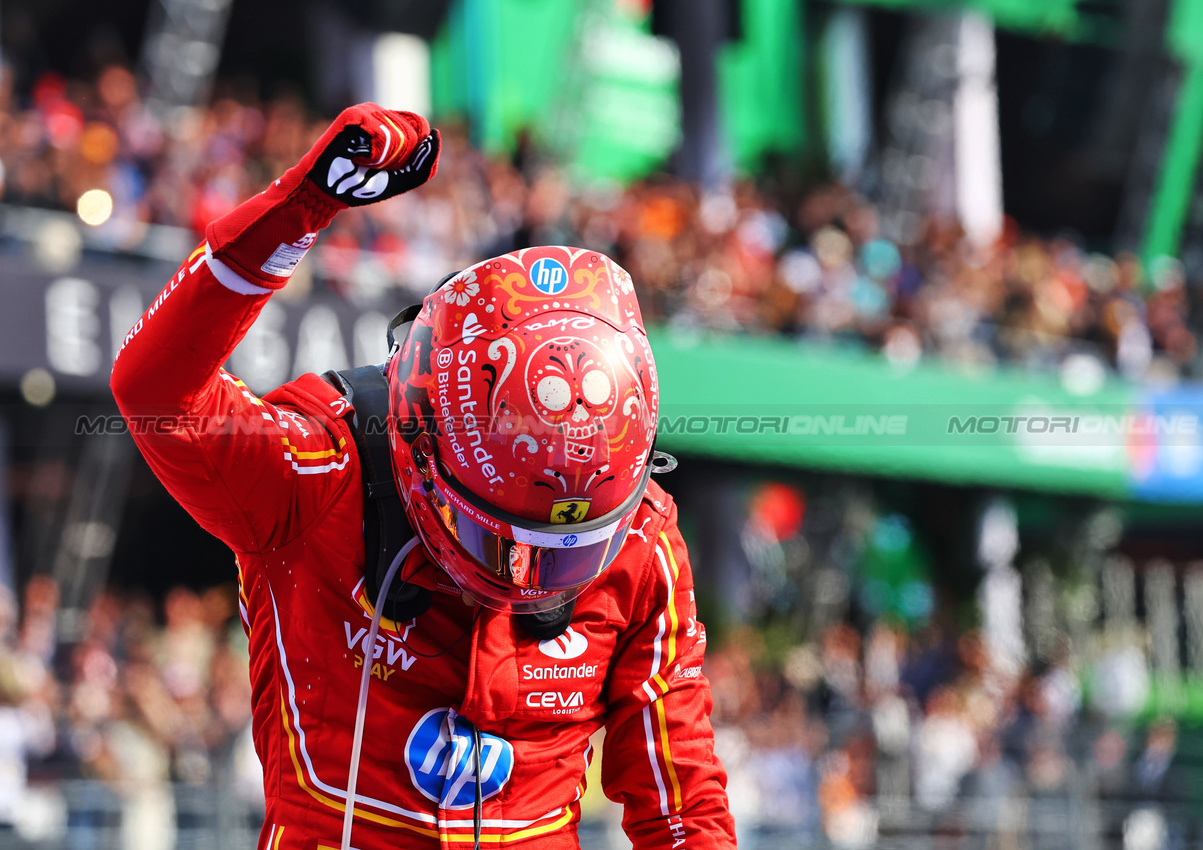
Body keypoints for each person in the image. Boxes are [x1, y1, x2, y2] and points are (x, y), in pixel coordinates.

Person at [110, 103, 735, 849]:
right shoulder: (319, 475)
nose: (528, 578)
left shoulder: (644, 543)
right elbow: (155, 394)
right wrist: (298, 212)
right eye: (495, 535)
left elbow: (684, 813)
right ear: (423, 449)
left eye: (570, 551)